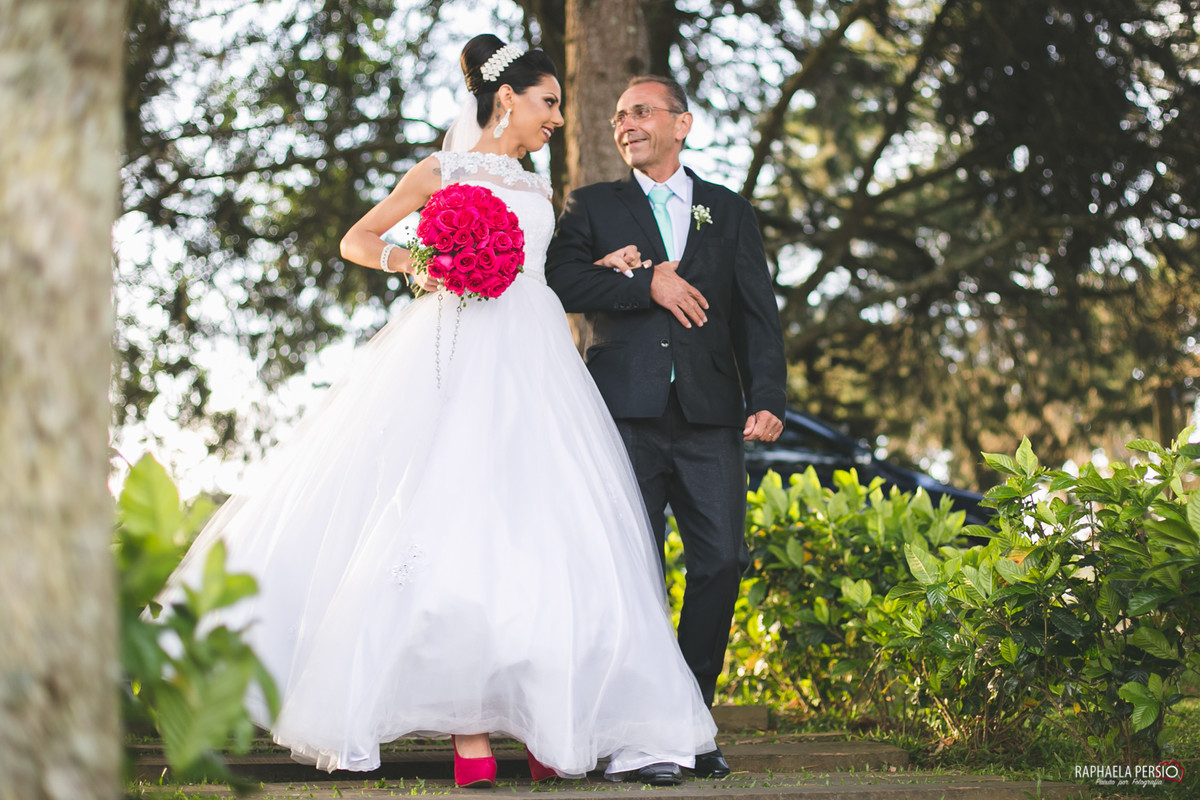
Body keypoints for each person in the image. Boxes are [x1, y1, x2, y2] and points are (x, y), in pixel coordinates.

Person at [156, 36, 717, 788]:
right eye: (548, 102)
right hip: (451, 353)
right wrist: (418, 262)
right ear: (507, 98)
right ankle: (470, 730)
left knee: (538, 529)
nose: (557, 116)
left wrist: (606, 264)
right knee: (444, 515)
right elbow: (360, 238)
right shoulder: (439, 170)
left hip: (535, 362)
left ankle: (546, 719)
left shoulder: (535, 186)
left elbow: (539, 271)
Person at [545, 75, 787, 779]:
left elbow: (755, 313)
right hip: (623, 414)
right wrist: (641, 282)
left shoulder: (728, 211)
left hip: (711, 416)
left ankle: (691, 719)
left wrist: (766, 393)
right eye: (620, 116)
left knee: (720, 563)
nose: (626, 124)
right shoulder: (592, 205)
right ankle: (636, 734)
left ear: (682, 124)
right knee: (635, 572)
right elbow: (559, 279)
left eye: (641, 112)